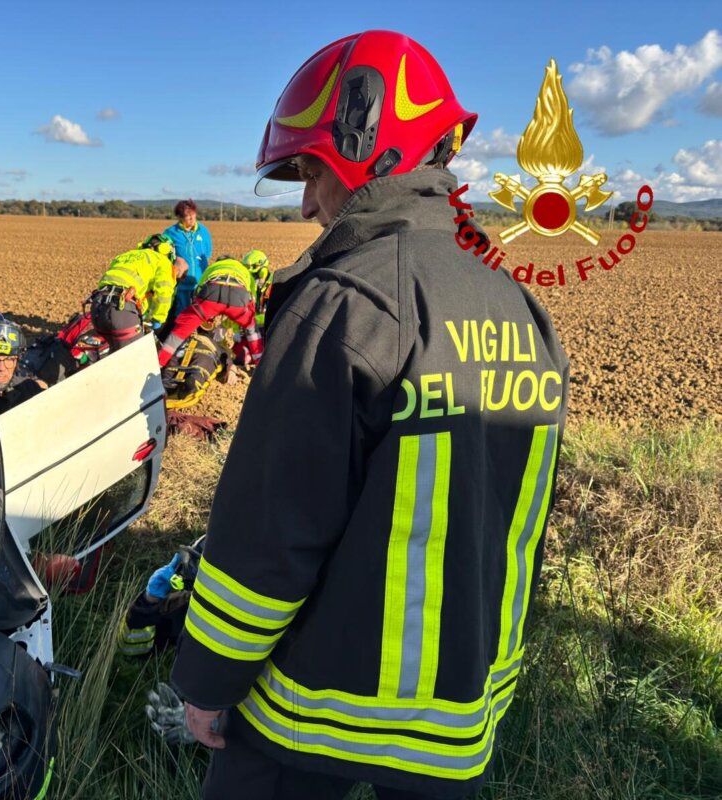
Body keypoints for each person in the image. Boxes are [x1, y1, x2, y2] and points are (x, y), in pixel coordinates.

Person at [170, 30, 569, 800]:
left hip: (314, 708)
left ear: (365, 146)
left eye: (312, 170)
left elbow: (269, 533)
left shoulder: (346, 302)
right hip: (458, 711)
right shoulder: (521, 309)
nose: (306, 203)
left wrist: (209, 680)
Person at [157, 249, 271, 370]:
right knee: (252, 330)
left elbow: (198, 291)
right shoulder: (243, 271)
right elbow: (251, 300)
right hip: (238, 296)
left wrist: (204, 318)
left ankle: (160, 363)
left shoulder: (212, 267)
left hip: (212, 293)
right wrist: (241, 324)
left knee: (179, 332)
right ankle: (262, 365)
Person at [90, 234, 183, 350]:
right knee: (136, 355)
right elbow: (164, 294)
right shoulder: (162, 261)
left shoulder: (124, 256)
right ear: (166, 250)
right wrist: (157, 319)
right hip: (121, 310)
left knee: (111, 354)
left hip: (97, 307)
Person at [164, 199, 213, 324]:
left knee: (201, 312)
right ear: (180, 217)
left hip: (200, 281)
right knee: (182, 312)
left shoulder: (203, 231)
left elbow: (208, 252)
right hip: (181, 283)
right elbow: (164, 256)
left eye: (193, 214)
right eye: (187, 215)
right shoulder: (170, 233)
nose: (192, 218)